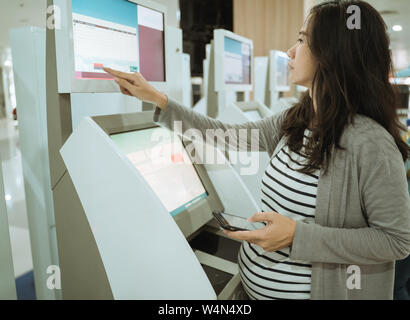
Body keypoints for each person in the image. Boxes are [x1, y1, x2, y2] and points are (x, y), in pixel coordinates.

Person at [104, 0, 410, 300]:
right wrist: (160, 101)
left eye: (302, 40)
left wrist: (296, 236)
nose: (291, 51)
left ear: (332, 54)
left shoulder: (371, 144)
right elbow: (227, 137)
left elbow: (396, 240)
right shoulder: (297, 119)